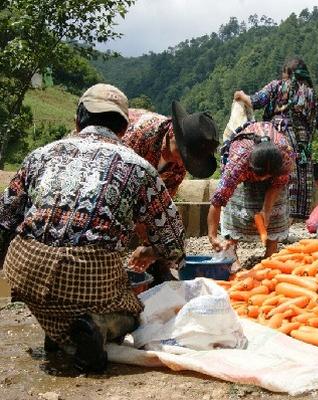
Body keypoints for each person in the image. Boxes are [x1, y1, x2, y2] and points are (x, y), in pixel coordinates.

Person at [0, 84, 186, 373]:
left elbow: (5, 219)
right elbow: (173, 242)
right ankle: (96, 327)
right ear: (124, 129)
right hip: (87, 269)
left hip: (26, 266)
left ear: (77, 121)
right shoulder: (140, 168)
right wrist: (154, 251)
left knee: (50, 282)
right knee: (132, 311)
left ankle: (58, 331)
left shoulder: (39, 154)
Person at [123, 101, 219, 283]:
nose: (182, 164)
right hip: (107, 173)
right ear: (172, 134)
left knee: (165, 239)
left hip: (137, 186)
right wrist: (141, 230)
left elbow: (161, 208)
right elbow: (123, 185)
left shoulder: (178, 168)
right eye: (181, 155)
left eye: (188, 161)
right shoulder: (141, 135)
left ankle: (157, 269)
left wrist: (153, 249)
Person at [235, 56, 318, 220]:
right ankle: (287, 224)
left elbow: (255, 101)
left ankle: (271, 223)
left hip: (278, 143)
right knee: (296, 183)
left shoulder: (277, 87)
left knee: (277, 182)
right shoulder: (311, 96)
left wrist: (241, 95)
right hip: (303, 151)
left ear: (286, 73)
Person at [207, 120, 295, 265]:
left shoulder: (285, 157)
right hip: (243, 161)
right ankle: (231, 252)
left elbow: (277, 185)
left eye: (268, 176)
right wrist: (212, 236)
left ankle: (270, 254)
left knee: (275, 212)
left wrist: (266, 211)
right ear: (250, 167)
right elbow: (217, 201)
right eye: (261, 175)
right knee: (237, 205)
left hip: (274, 164)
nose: (263, 179)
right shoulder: (238, 162)